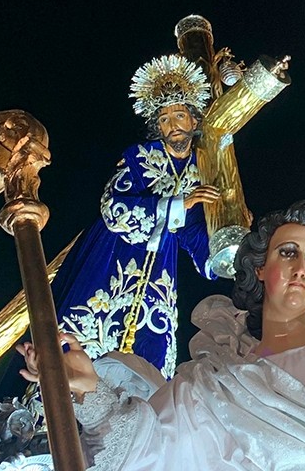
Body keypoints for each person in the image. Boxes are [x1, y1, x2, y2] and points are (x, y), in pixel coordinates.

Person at [18, 202, 305, 470]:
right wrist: (88, 390)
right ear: (260, 268)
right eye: (288, 252)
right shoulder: (211, 380)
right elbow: (149, 449)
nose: (302, 267)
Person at [48, 54, 221, 379]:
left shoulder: (202, 169)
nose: (172, 125)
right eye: (165, 119)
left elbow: (193, 232)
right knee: (88, 337)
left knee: (148, 356)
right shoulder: (141, 158)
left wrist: (226, 247)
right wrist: (177, 205)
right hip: (112, 255)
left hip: (159, 270)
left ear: (194, 121)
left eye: (179, 115)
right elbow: (114, 208)